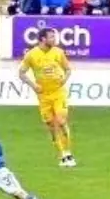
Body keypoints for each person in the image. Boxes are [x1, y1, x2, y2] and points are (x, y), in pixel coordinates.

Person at [18, 27, 76, 168]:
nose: (54, 40)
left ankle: (69, 153)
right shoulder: (31, 55)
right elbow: (21, 73)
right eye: (51, 37)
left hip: (58, 92)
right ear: (43, 39)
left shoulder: (58, 52)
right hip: (43, 95)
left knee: (61, 121)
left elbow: (68, 69)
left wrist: (64, 79)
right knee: (50, 125)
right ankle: (62, 155)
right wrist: (33, 85)